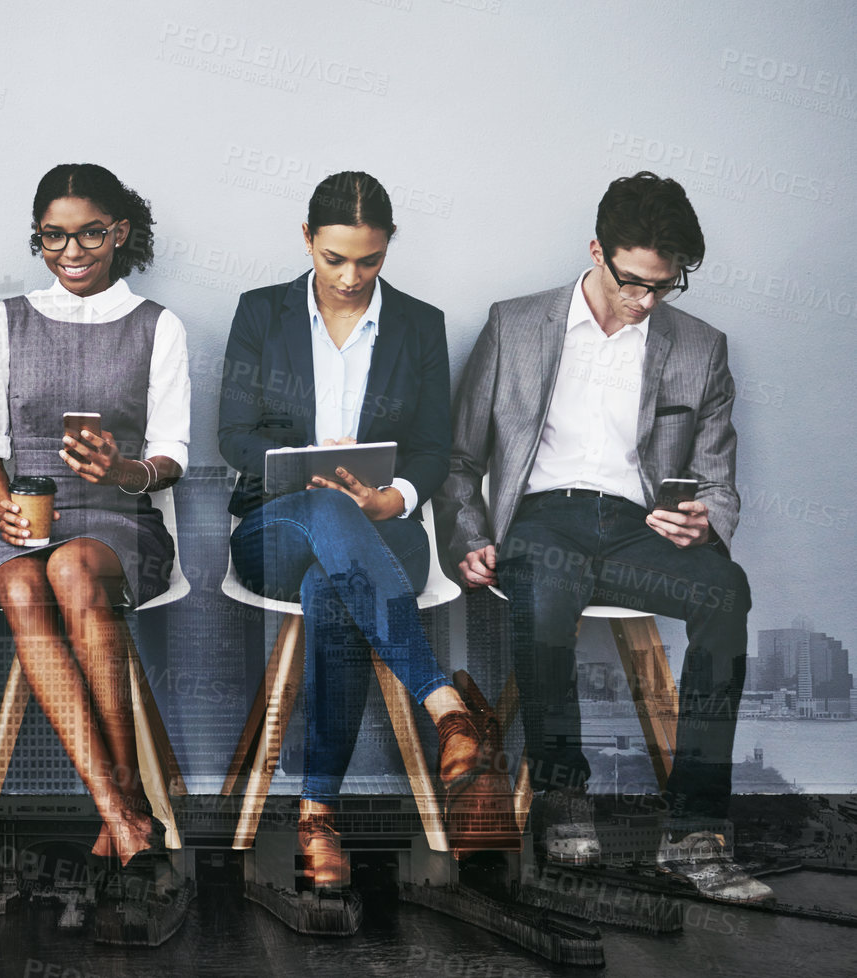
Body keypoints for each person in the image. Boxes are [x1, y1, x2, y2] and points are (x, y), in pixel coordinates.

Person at [440, 171, 767, 903]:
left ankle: (693, 831)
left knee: (726, 591)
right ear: (594, 250)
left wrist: (702, 517)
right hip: (539, 517)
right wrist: (466, 535)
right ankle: (563, 792)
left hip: (633, 527)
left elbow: (717, 479)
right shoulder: (514, 324)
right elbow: (460, 461)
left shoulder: (700, 347)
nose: (644, 300)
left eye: (662, 286)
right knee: (546, 600)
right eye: (630, 282)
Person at [218, 171, 509, 892]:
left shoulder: (419, 324)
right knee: (324, 514)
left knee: (333, 590)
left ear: (387, 248)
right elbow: (230, 435)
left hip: (382, 537)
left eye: (369, 260)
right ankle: (446, 708)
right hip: (274, 527)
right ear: (306, 242)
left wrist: (395, 496)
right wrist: (303, 474)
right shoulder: (259, 313)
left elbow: (434, 452)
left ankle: (316, 817)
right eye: (334, 259)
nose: (351, 277)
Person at [0, 163, 184, 866]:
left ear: (119, 232)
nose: (72, 252)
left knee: (71, 567)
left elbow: (171, 454)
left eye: (89, 234)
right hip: (21, 521)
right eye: (52, 237)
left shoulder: (158, 326)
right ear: (39, 239)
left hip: (119, 520)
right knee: (27, 583)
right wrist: (4, 510)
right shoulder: (7, 319)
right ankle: (122, 809)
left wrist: (124, 471)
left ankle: (123, 800)